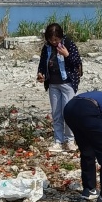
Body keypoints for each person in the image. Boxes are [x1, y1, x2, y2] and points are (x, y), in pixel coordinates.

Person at [36, 22, 82, 152]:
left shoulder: (69, 44)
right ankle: (58, 141)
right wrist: (41, 74)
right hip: (53, 84)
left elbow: (77, 62)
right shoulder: (46, 48)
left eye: (56, 39)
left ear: (61, 37)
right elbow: (42, 63)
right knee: (56, 113)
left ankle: (70, 141)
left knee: (68, 112)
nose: (54, 42)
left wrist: (67, 55)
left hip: (67, 83)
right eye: (51, 40)